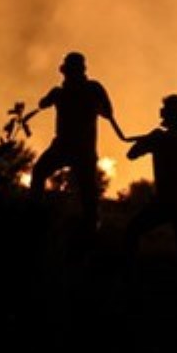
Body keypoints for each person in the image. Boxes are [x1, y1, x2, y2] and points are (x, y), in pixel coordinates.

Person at [124, 94, 177, 292]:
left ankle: (129, 279)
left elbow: (131, 154)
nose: (161, 112)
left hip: (167, 204)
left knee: (132, 231)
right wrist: (153, 138)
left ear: (173, 113)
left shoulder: (162, 139)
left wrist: (151, 139)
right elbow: (132, 154)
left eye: (164, 109)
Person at [29, 50, 125, 228]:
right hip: (78, 149)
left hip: (72, 148)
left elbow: (42, 104)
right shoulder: (89, 89)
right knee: (87, 191)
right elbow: (108, 113)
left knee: (43, 174)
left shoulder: (80, 90)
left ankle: (36, 215)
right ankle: (90, 224)